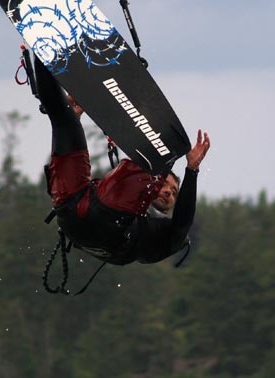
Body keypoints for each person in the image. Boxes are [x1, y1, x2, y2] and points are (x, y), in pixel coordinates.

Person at [34, 57, 210, 265]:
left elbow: (183, 221)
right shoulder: (126, 194)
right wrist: (76, 119)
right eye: (166, 185)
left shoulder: (165, 235)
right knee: (64, 120)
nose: (168, 192)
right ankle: (41, 54)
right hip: (75, 208)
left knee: (160, 157)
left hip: (107, 226)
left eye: (173, 192)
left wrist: (192, 170)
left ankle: (157, 154)